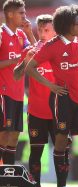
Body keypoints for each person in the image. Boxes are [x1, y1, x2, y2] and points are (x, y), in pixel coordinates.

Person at [25, 5, 78, 187]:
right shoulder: (52, 47)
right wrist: (50, 86)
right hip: (62, 100)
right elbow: (30, 68)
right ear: (66, 25)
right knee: (60, 143)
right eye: (77, 23)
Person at [13, 14, 70, 187]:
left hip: (58, 111)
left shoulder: (62, 50)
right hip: (37, 112)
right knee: (36, 152)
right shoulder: (31, 50)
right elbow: (16, 75)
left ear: (55, 31)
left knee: (61, 151)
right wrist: (25, 60)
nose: (43, 34)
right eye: (41, 30)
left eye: (47, 30)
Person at [0, 0, 35, 165]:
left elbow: (37, 54)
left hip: (18, 93)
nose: (24, 16)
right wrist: (14, 59)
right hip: (4, 91)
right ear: (10, 14)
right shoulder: (0, 34)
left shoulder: (21, 35)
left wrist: (29, 33)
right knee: (3, 133)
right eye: (21, 13)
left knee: (14, 136)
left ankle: (8, 172)